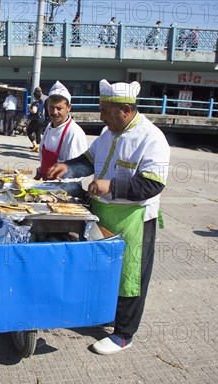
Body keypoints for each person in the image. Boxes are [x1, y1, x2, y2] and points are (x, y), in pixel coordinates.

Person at [46, 79, 170, 355]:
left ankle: (125, 333)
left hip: (134, 217)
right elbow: (88, 161)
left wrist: (111, 186)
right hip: (103, 212)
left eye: (105, 111)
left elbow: (153, 183)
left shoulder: (151, 138)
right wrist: (67, 167)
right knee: (103, 268)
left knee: (130, 275)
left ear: (125, 109)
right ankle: (104, 312)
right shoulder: (107, 133)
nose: (101, 117)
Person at [33, 81, 87, 179]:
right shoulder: (49, 127)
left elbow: (77, 170)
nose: (54, 112)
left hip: (63, 190)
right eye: (51, 107)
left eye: (59, 108)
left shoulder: (74, 133)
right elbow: (42, 156)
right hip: (45, 185)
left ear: (68, 108)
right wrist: (40, 172)